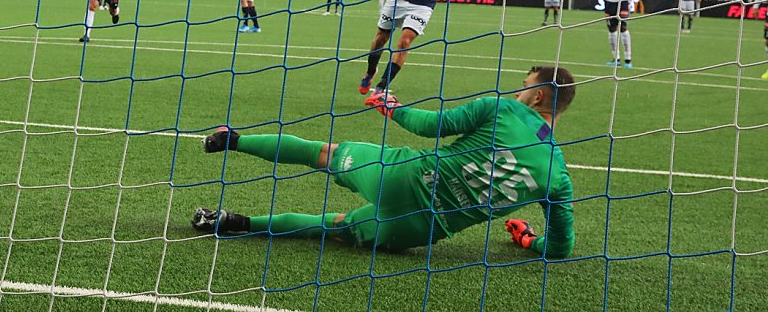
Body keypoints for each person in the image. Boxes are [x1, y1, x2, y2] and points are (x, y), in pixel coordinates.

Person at [192, 66, 577, 257]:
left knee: (321, 154)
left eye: (525, 85)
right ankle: (236, 223)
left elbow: (432, 126)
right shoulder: (558, 175)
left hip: (400, 177)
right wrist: (529, 238)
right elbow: (561, 246)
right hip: (415, 229)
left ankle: (235, 140)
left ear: (538, 96)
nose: (519, 90)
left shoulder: (504, 109)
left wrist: (392, 108)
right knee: (332, 226)